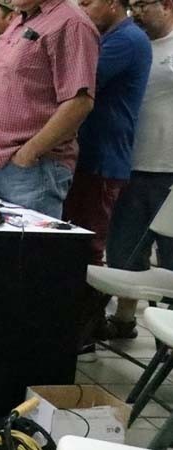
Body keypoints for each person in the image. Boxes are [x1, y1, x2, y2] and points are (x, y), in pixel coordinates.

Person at [0, 0, 99, 219]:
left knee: (30, 251)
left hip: (30, 170)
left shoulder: (71, 23)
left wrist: (29, 153)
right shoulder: (21, 19)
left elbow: (79, 102)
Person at [99, 0, 173, 341]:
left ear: (168, 6)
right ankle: (125, 319)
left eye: (145, 4)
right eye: (134, 5)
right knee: (124, 250)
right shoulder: (129, 44)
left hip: (168, 169)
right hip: (129, 164)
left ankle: (166, 336)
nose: (137, 12)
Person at [65, 0, 151, 267]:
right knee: (73, 244)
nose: (82, 9)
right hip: (90, 158)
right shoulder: (109, 37)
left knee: (88, 248)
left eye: (88, 3)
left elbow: (77, 82)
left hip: (102, 161)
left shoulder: (127, 39)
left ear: (112, 3)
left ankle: (89, 309)